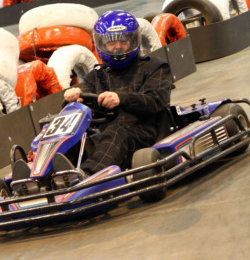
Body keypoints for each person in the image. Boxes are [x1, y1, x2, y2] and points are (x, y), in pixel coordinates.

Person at [12, 10, 173, 187]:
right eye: (111, 42)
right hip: (104, 136)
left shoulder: (154, 66)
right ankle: (38, 179)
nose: (117, 47)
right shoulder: (96, 76)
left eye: (123, 41)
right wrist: (74, 99)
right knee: (75, 138)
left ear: (133, 41)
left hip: (143, 132)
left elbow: (157, 101)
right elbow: (82, 102)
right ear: (101, 44)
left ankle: (86, 176)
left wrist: (121, 98)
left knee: (116, 131)